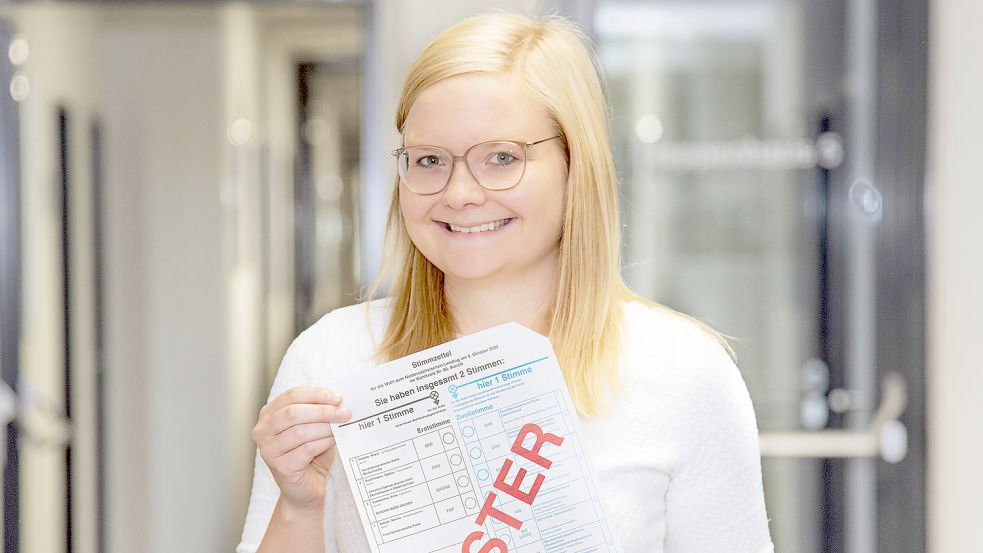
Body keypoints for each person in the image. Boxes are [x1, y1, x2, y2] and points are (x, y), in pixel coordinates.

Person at [238, 12, 773, 553]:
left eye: (501, 158)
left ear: (575, 164)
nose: (460, 193)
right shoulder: (332, 359)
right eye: (428, 160)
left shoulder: (683, 371)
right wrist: (298, 506)